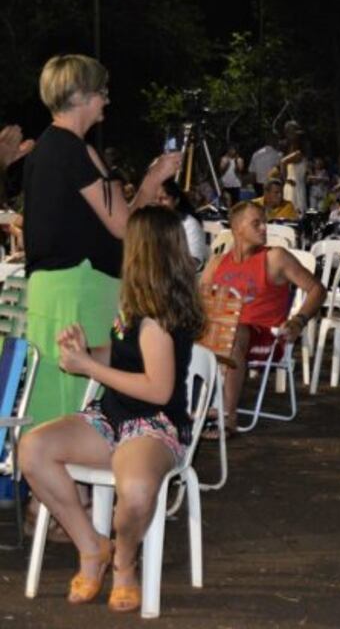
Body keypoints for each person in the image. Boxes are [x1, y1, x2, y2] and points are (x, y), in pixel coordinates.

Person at [19, 206, 205, 613]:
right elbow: (123, 357)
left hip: (154, 426)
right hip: (112, 420)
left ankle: (124, 562)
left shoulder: (157, 317)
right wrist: (85, 352)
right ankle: (92, 548)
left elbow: (158, 390)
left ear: (140, 251)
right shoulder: (136, 304)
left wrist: (89, 367)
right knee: (32, 449)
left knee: (136, 492)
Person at [23, 54, 180, 429]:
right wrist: (152, 180)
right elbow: (124, 227)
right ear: (81, 95)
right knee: (72, 405)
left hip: (62, 287)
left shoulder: (58, 147)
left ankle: (50, 478)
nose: (107, 99)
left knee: (54, 400)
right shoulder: (70, 149)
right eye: (102, 91)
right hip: (77, 290)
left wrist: (149, 182)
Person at [200, 201, 325, 432]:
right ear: (237, 228)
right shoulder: (217, 263)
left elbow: (317, 289)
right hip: (220, 335)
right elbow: (199, 301)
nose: (264, 228)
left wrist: (299, 320)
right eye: (256, 223)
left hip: (264, 337)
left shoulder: (274, 258)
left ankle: (227, 417)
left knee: (233, 331)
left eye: (264, 222)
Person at [155, 179, 208, 269]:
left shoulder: (189, 224)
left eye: (164, 198)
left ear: (176, 201)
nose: (158, 203)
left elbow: (195, 261)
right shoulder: (151, 224)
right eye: (155, 199)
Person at [281, 136, 308, 214]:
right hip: (294, 185)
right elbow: (283, 162)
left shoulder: (299, 154)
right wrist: (285, 179)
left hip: (298, 184)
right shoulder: (297, 154)